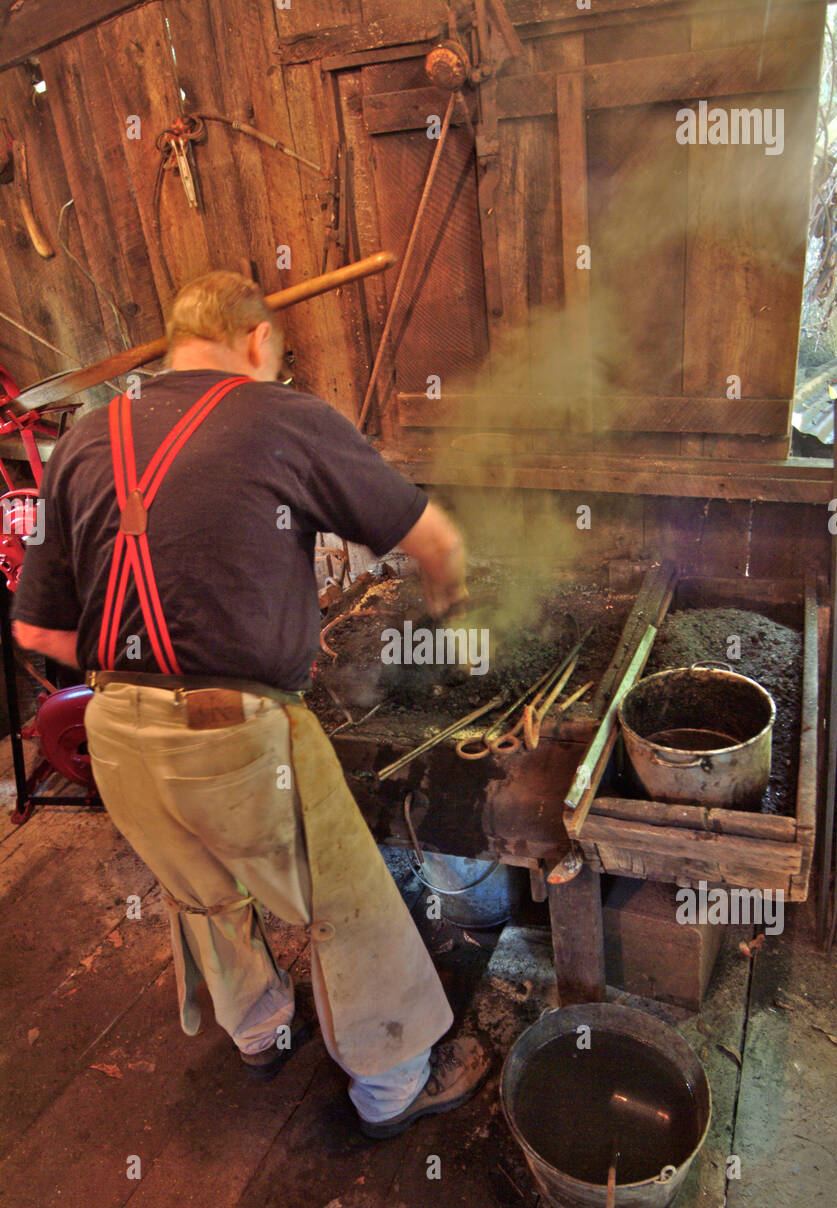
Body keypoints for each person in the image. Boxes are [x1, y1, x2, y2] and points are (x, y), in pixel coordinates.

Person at [12, 270, 490, 1140]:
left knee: (204, 897)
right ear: (259, 342)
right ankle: (394, 1087)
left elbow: (39, 636)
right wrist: (453, 611)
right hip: (234, 743)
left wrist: (145, 669)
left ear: (172, 346)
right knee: (345, 904)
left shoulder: (84, 438)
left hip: (114, 733)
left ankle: (261, 1036)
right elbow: (434, 538)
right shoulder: (285, 414)